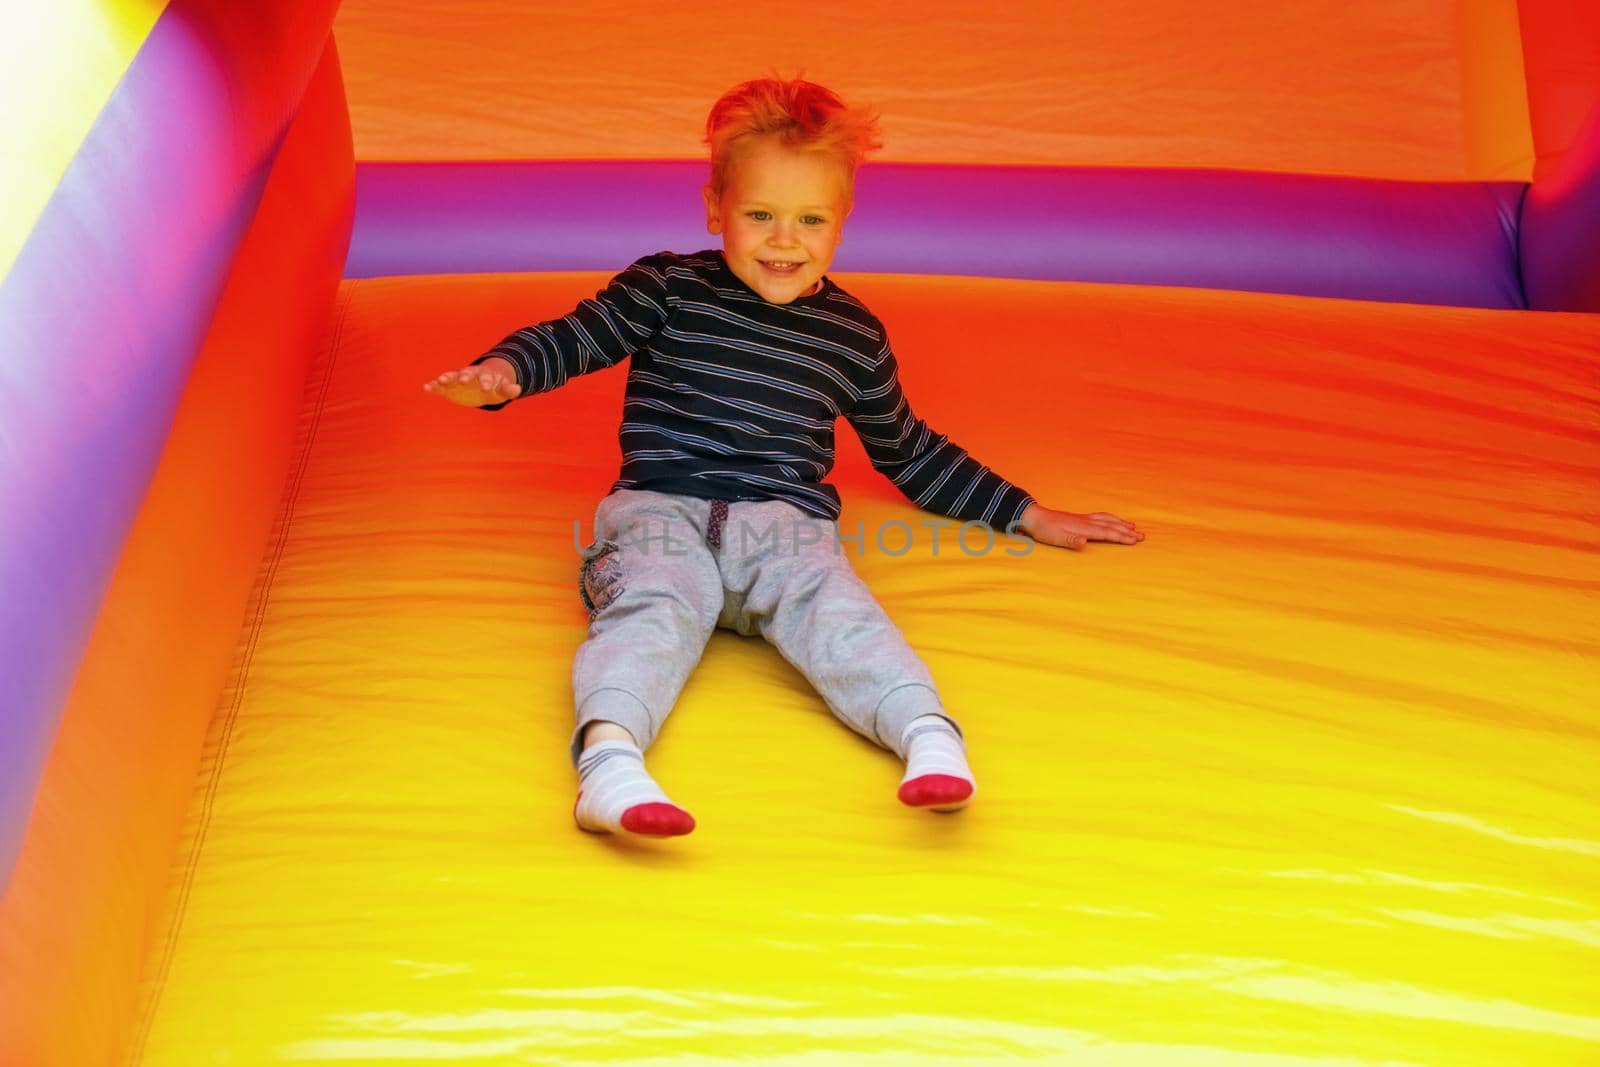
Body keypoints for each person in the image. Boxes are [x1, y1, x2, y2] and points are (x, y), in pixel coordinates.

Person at [423, 77, 1143, 838]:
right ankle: (609, 763)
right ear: (715, 210)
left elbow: (910, 449)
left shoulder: (851, 335)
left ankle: (927, 735)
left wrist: (1025, 511)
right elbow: (573, 337)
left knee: (839, 610)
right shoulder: (667, 287)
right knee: (648, 609)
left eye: (810, 219)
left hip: (784, 526)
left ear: (841, 225)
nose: (784, 240)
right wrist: (503, 374)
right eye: (759, 215)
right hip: (660, 510)